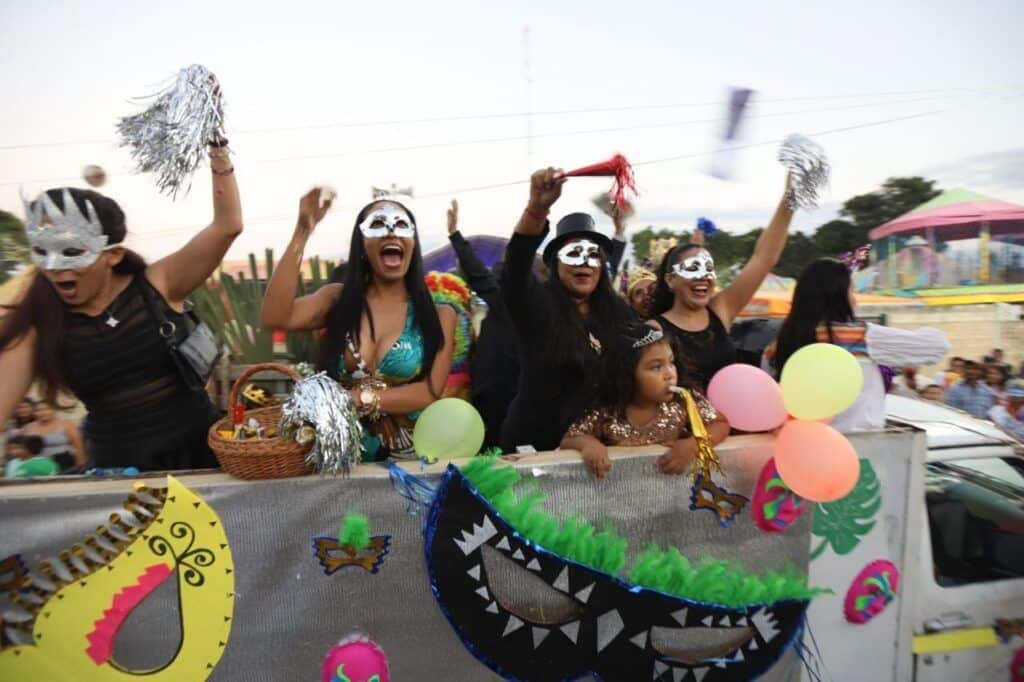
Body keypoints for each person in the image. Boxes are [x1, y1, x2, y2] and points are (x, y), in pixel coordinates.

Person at [0, 145, 242, 471]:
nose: (56, 267)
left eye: (72, 251)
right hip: (119, 474)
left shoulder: (158, 284)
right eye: (43, 251)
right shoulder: (36, 321)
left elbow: (227, 226)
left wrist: (218, 153)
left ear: (112, 255)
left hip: (201, 454)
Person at [261, 189, 457, 460]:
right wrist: (302, 232)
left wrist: (353, 399)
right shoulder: (336, 300)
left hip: (412, 465)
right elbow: (275, 316)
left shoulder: (439, 315)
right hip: (339, 459)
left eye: (401, 224)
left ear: (412, 242)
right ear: (362, 245)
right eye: (378, 225)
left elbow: (430, 391)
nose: (391, 232)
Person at [498, 168, 636, 453]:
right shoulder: (537, 306)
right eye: (573, 254)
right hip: (537, 447)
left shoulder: (618, 312)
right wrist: (537, 209)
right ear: (554, 266)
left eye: (593, 255)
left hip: (599, 450)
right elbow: (515, 269)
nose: (584, 262)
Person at [763, 258, 949, 432]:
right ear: (837, 295)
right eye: (851, 291)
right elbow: (937, 347)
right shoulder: (861, 336)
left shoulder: (777, 347)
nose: (855, 300)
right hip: (859, 450)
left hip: (800, 448)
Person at [650, 174, 796, 388]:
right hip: (683, 420)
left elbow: (763, 259)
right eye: (693, 268)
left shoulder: (720, 310)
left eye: (708, 268)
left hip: (729, 418)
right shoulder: (654, 329)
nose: (703, 277)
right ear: (671, 280)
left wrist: (789, 200)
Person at [560, 323, 728, 479]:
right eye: (656, 367)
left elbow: (720, 423)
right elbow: (571, 438)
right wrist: (589, 445)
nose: (669, 373)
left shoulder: (683, 400)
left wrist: (694, 444)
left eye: (671, 362)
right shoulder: (606, 409)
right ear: (627, 376)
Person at [19, 401, 86, 470]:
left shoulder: (67, 425)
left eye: (46, 409)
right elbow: (22, 451)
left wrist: (81, 466)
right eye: (38, 410)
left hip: (64, 466)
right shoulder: (28, 428)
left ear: (53, 410)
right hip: (36, 467)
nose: (43, 413)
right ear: (34, 412)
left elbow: (79, 447)